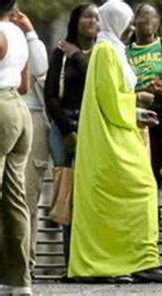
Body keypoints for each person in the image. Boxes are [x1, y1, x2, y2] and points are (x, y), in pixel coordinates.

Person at [67, 0, 162, 284]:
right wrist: (136, 105)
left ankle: (137, 261)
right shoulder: (106, 51)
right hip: (111, 139)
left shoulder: (110, 48)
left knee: (127, 197)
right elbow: (111, 100)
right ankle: (136, 262)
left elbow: (111, 96)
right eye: (127, 21)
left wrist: (137, 111)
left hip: (117, 133)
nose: (132, 27)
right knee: (143, 188)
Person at [43, 3, 98, 272]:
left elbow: (99, 84)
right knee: (67, 194)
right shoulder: (60, 52)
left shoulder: (103, 53)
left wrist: (79, 56)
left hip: (93, 126)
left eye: (97, 17)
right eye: (87, 16)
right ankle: (70, 264)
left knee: (91, 194)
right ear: (76, 21)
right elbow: (50, 95)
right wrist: (67, 131)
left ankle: (91, 261)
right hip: (64, 125)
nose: (92, 21)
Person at [8, 7, 49, 279]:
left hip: (31, 116)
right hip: (15, 111)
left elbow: (41, 68)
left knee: (27, 195)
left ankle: (26, 264)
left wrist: (31, 33)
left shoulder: (24, 38)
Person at [127, 2, 162, 187]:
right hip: (136, 110)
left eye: (153, 16)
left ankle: (154, 210)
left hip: (161, 112)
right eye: (143, 16)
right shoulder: (126, 51)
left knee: (156, 165)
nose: (148, 20)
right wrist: (142, 91)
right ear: (134, 22)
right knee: (137, 165)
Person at [0, 0, 32, 294]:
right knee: (14, 200)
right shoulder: (18, 31)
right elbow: (25, 86)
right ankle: (18, 281)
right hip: (19, 111)